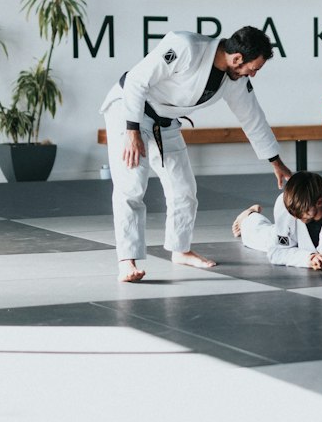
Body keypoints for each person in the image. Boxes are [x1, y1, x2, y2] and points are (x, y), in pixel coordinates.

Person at [101, 26, 292, 283]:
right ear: (237, 59)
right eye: (253, 68)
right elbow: (136, 80)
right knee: (132, 184)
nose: (253, 74)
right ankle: (127, 260)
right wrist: (132, 130)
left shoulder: (233, 79)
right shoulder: (185, 46)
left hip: (165, 120)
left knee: (184, 189)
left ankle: (180, 250)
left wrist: (275, 162)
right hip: (128, 111)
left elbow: (252, 117)